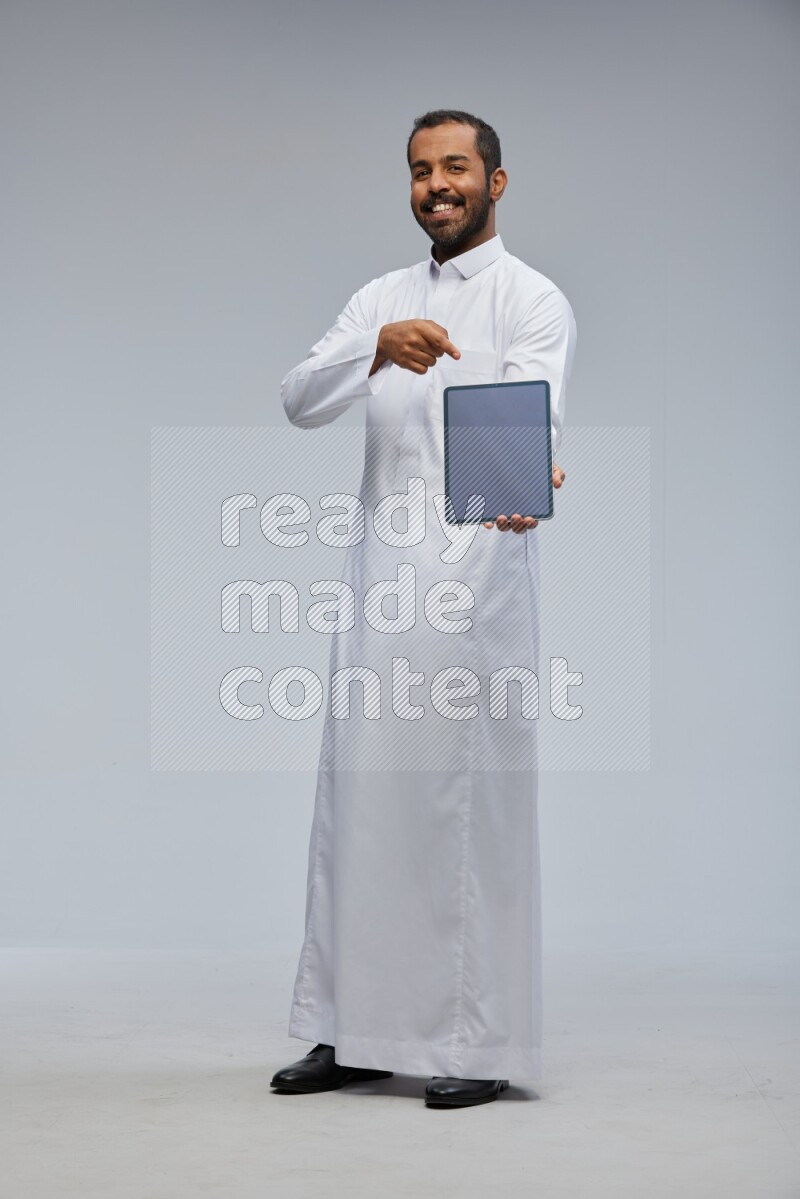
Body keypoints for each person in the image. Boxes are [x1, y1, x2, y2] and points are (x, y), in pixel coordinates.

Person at [270, 109, 577, 1109]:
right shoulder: (382, 299)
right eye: (418, 170)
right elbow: (299, 398)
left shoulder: (530, 299)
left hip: (475, 592)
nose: (435, 185)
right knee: (358, 806)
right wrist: (373, 348)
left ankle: (477, 1041)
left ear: (495, 181)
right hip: (377, 586)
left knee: (465, 812)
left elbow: (525, 419)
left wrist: (529, 471)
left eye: (454, 167)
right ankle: (353, 1030)